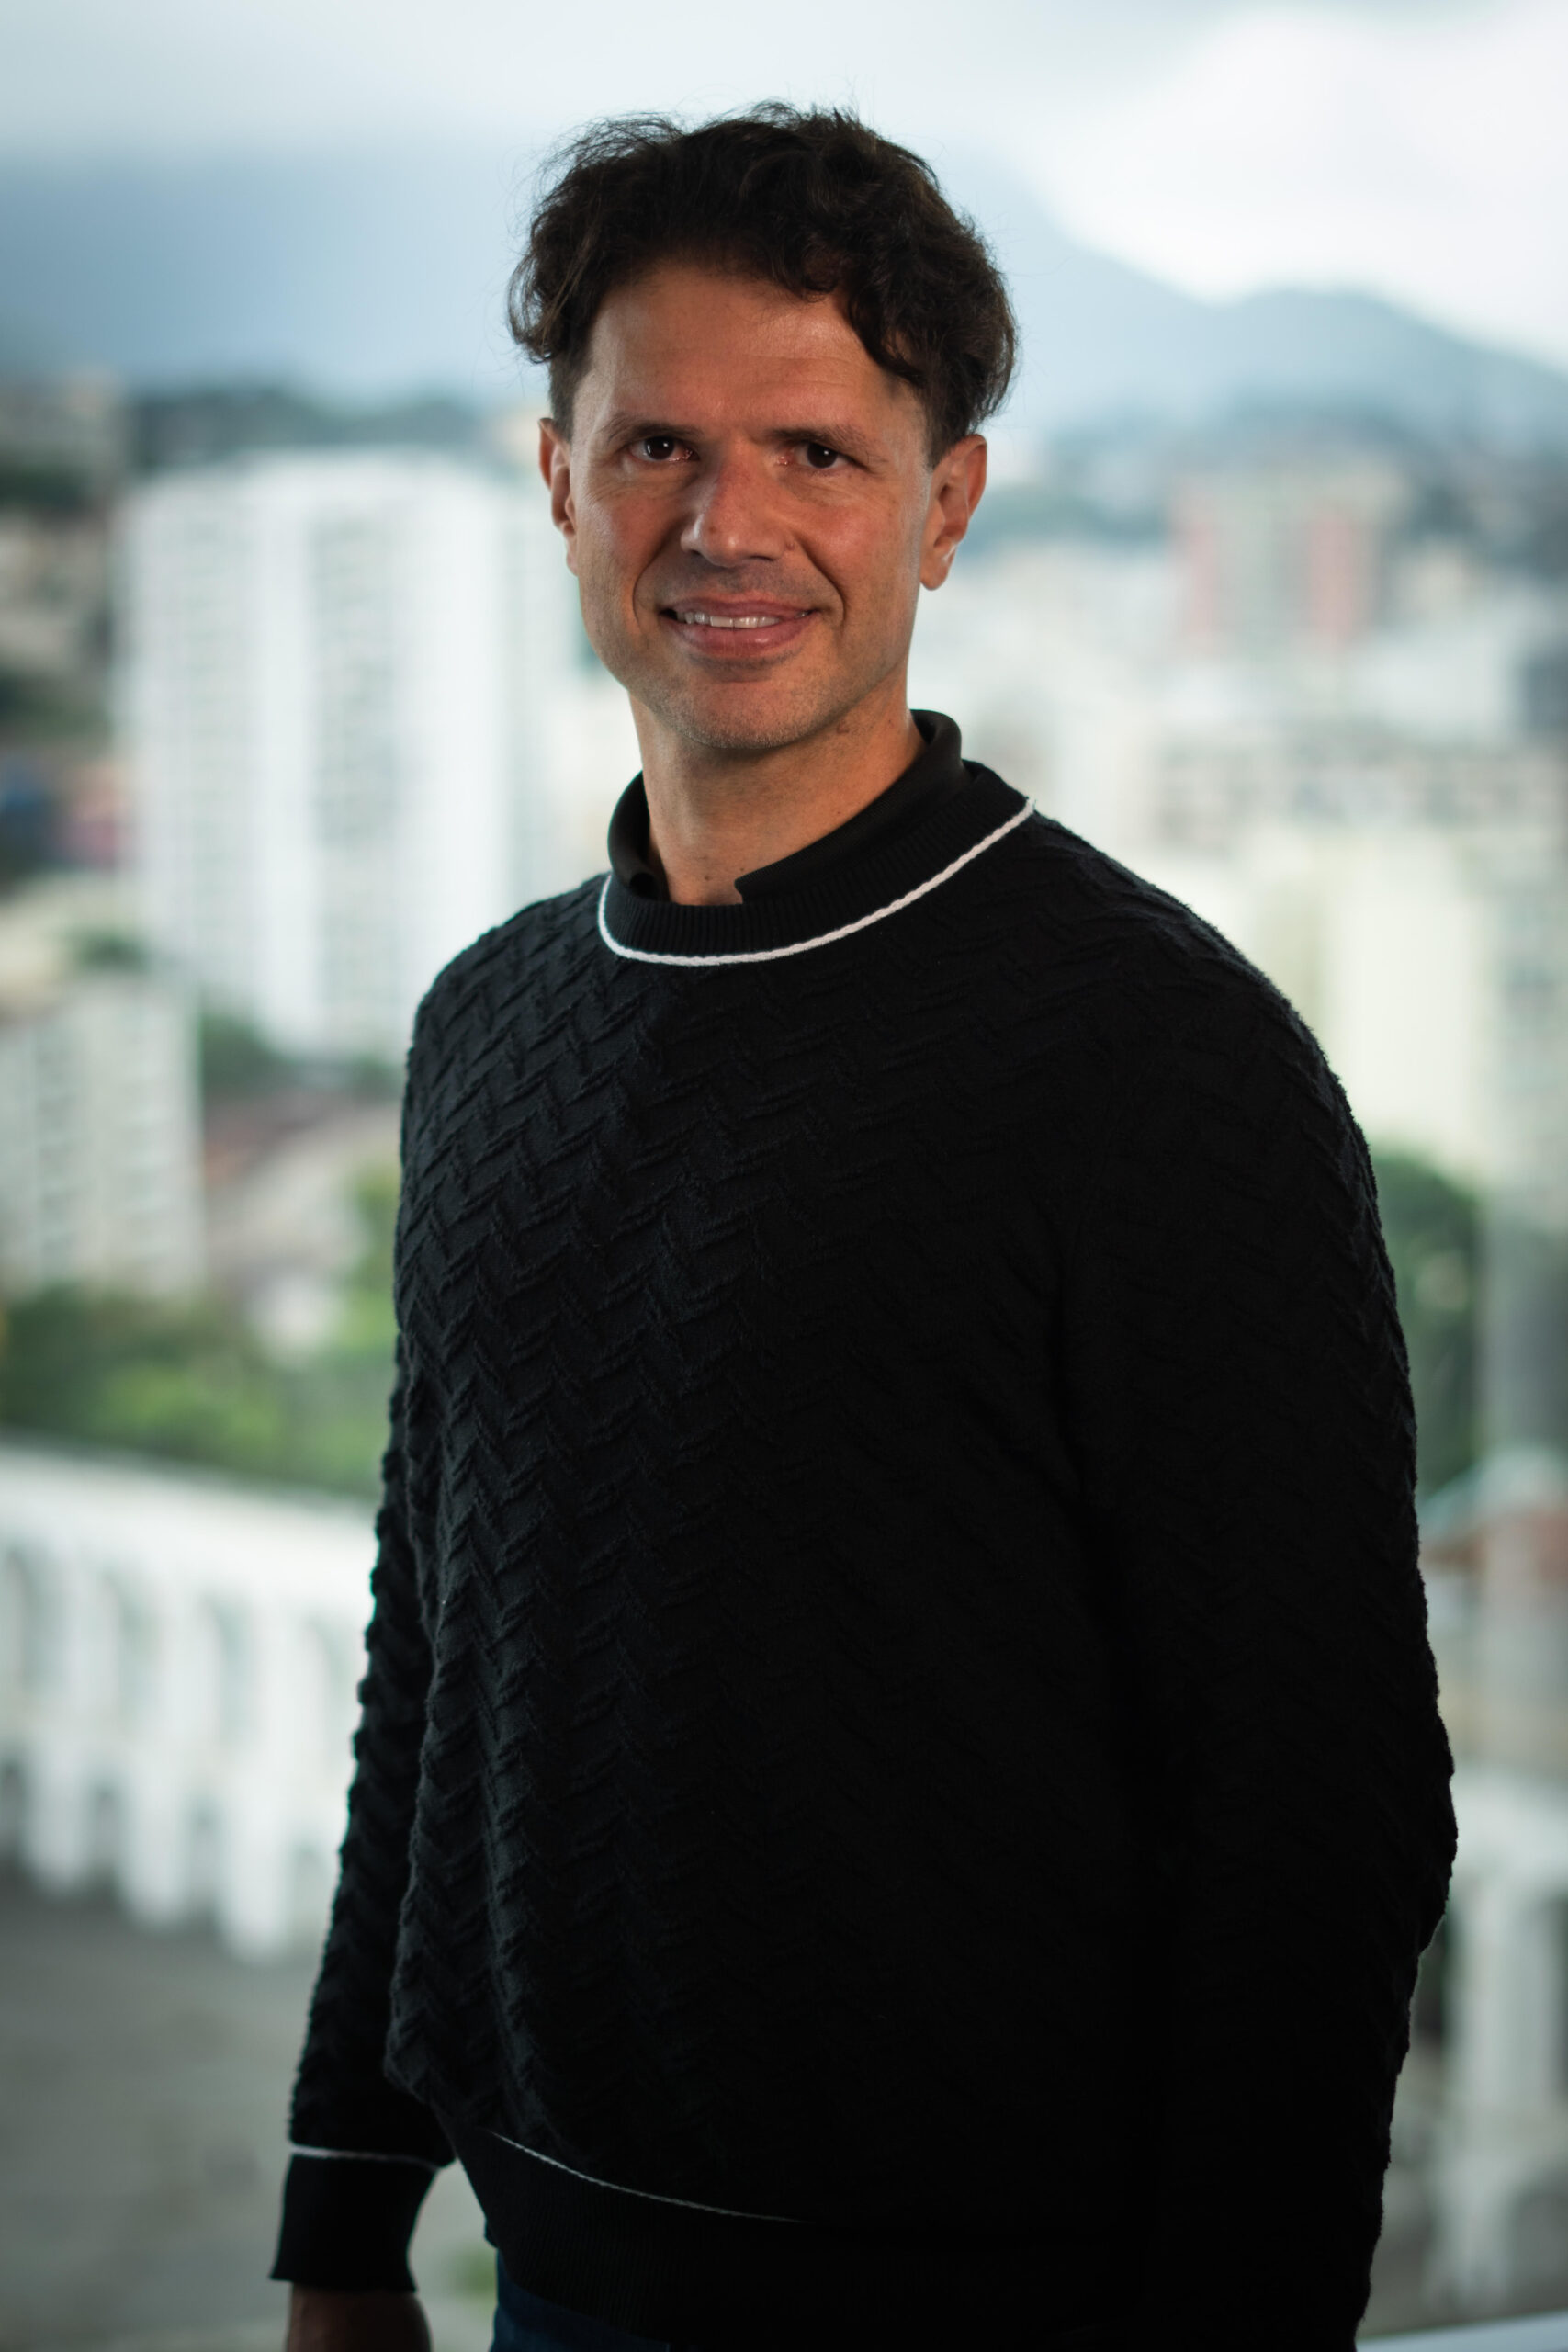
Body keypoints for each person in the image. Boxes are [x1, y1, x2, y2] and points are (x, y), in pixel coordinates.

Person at [273, 106, 1455, 2352]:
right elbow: (435, 1647)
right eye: (656, 447)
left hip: (996, 2301)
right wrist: (344, 2207)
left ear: (945, 499)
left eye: (814, 450)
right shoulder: (490, 1022)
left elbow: (1317, 1815)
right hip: (543, 2276)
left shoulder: (1156, 1063)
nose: (727, 524)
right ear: (555, 479)